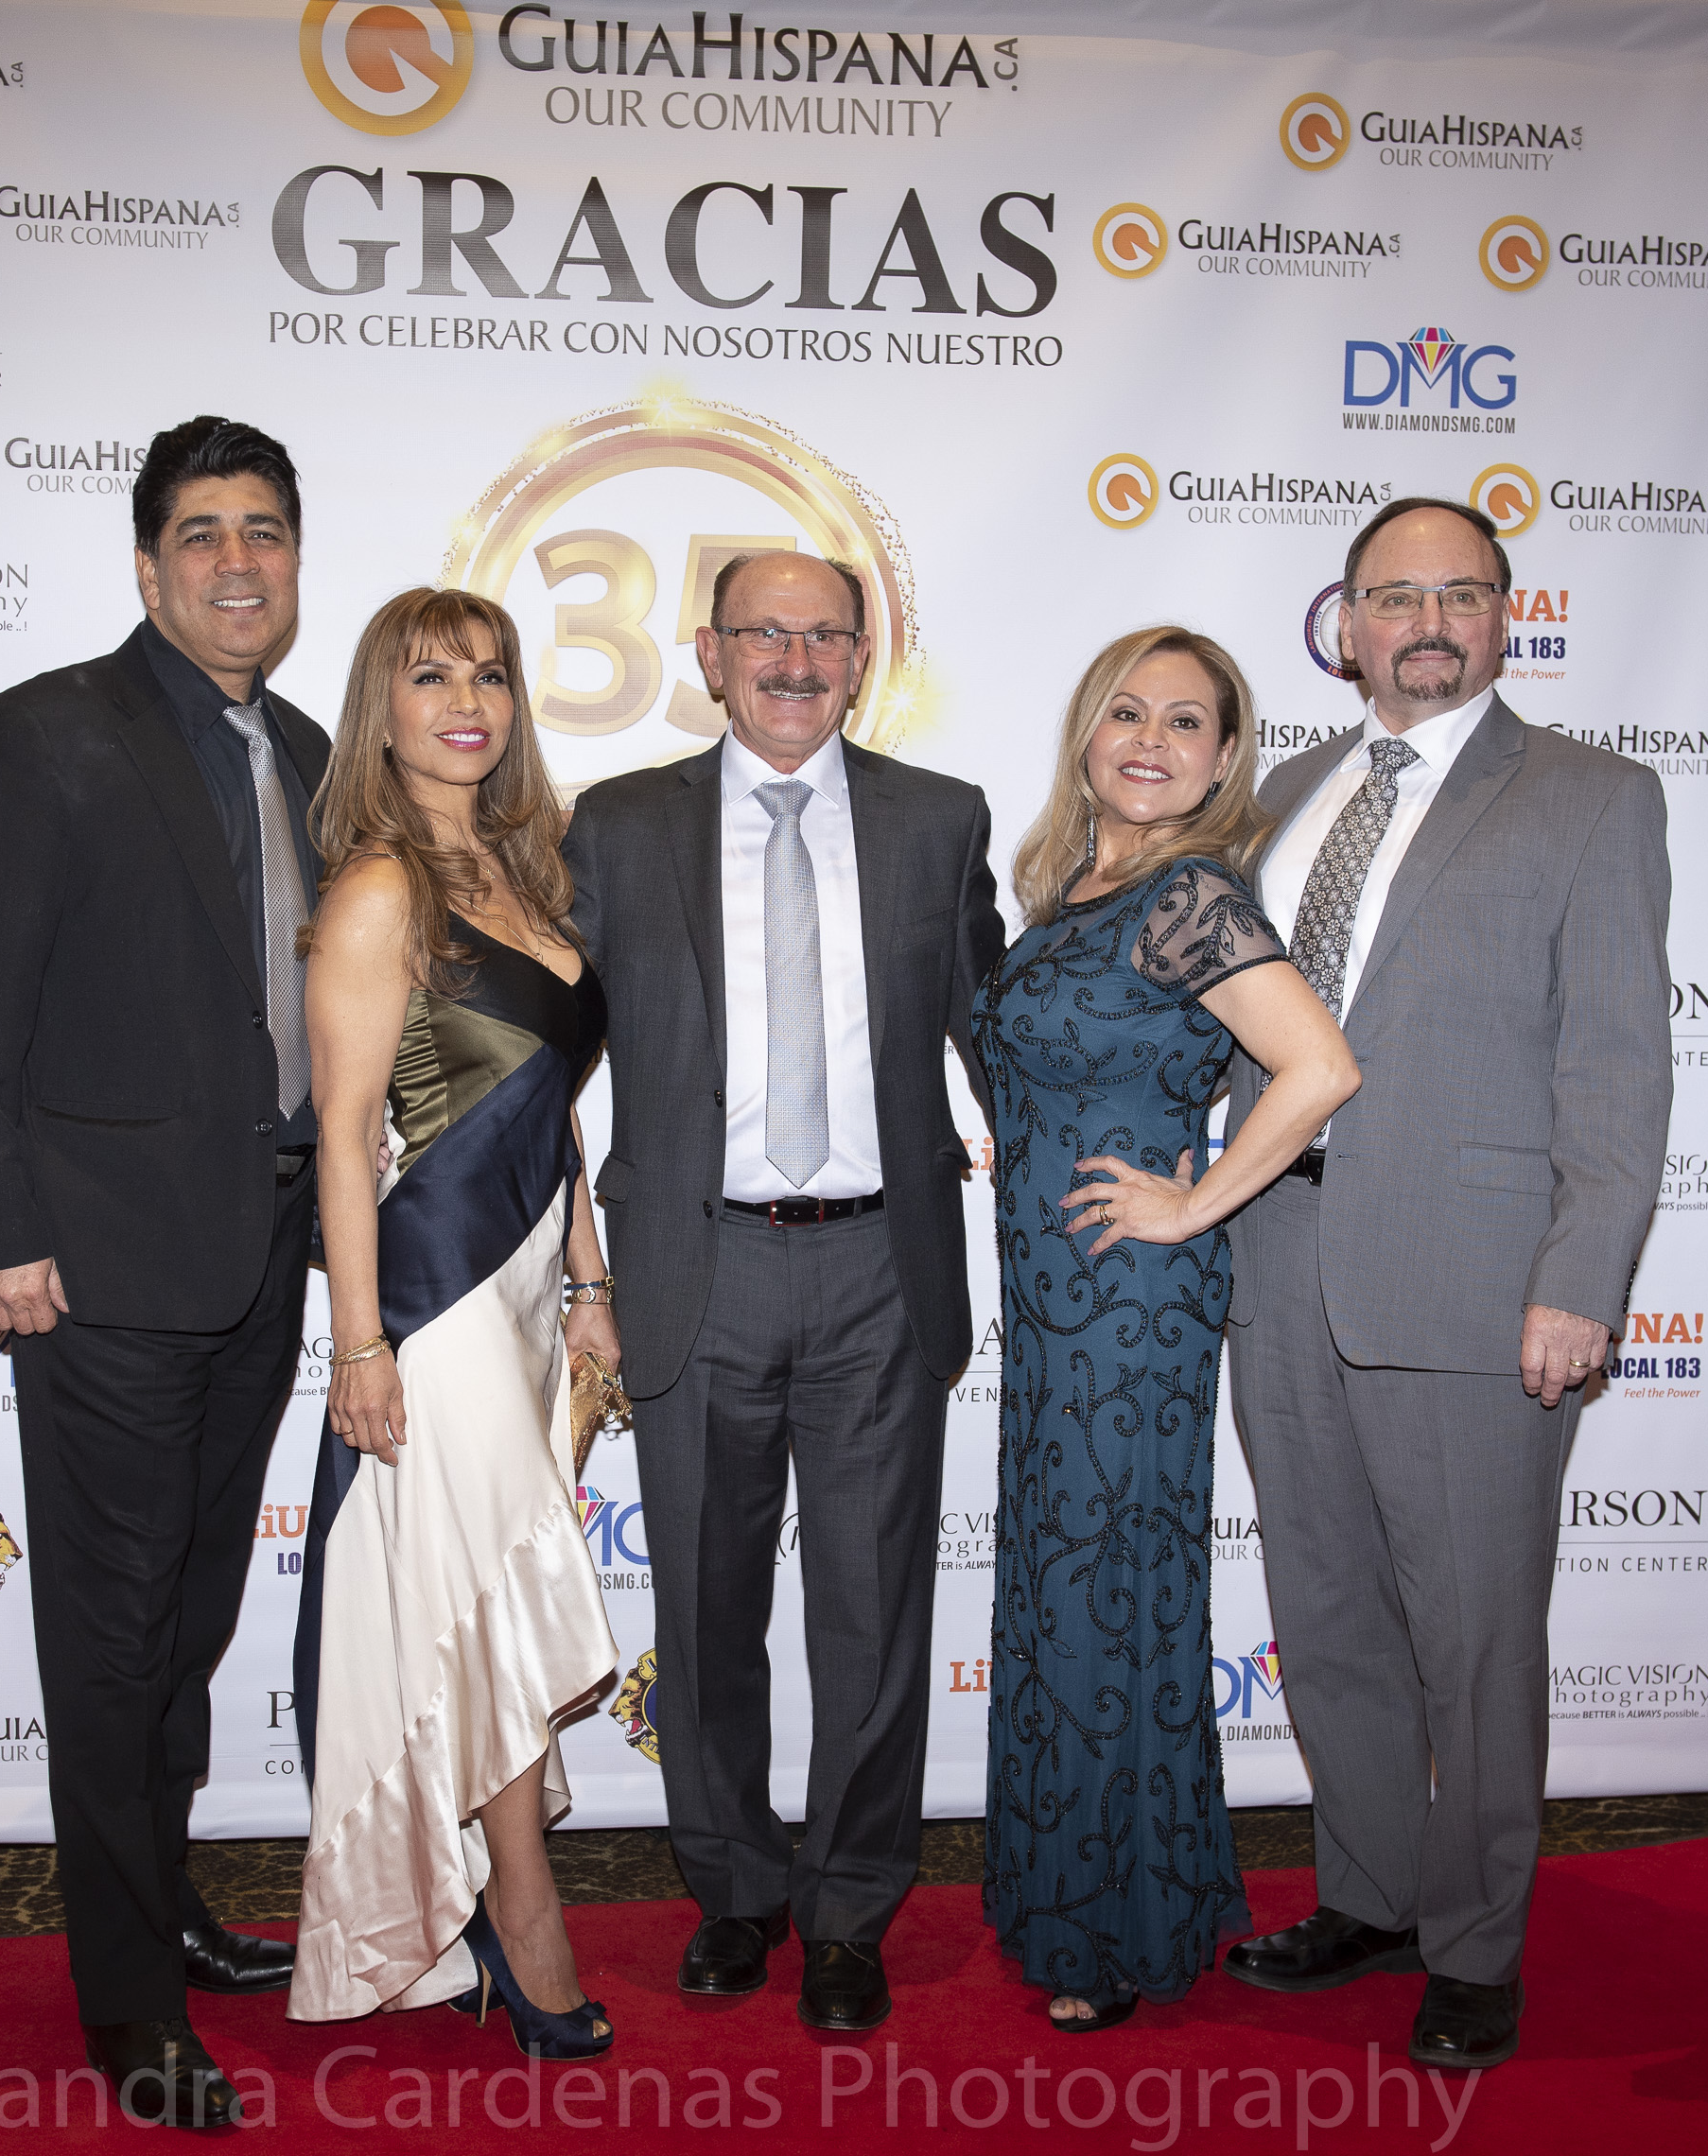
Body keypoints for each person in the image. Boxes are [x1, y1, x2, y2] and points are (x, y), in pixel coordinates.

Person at [1220, 498, 1671, 2071]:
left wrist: (1581, 1277)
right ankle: (1371, 1895)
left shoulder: (1593, 797)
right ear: (1344, 622)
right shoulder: (1281, 795)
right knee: (1328, 1610)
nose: (1426, 623)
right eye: (1395, 596)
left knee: (1475, 1639)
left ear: (1505, 614)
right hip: (1277, 1264)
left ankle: (1476, 1943)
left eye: (1459, 595)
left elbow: (1619, 1063)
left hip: (1479, 1285)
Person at [0, 416, 329, 2128]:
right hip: (93, 1270)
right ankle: (128, 1998)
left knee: (192, 1619)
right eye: (203, 533)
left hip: (262, 1255)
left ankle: (162, 1903)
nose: (239, 561)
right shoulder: (50, 732)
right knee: (112, 1634)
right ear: (150, 566)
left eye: (265, 531)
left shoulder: (304, 747)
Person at [561, 550, 1006, 2033]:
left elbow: (1000, 1039)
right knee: (706, 1606)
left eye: (826, 634)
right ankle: (734, 1890)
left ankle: (852, 1907)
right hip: (698, 1266)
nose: (797, 660)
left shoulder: (940, 819)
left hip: (884, 1264)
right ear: (710, 653)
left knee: (874, 1616)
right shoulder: (619, 825)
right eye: (766, 632)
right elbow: (540, 1059)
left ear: (862, 658)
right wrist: (560, 1266)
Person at [972, 628, 1359, 2031]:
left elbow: (1319, 1066)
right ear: (1087, 734)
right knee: (1073, 1588)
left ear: (1224, 757)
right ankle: (1085, 1893)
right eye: (1127, 712)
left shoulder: (1191, 894)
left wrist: (1193, 1204)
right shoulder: (1074, 888)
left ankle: (1108, 1926)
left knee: (1106, 1594)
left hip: (1130, 1311)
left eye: (1187, 722)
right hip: (1053, 1298)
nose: (1151, 741)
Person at [287, 588, 619, 2060]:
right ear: (385, 707)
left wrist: (591, 1280)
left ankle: (490, 1884)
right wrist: (360, 1343)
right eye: (431, 677)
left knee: (488, 1590)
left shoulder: (524, 873)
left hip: (532, 1287)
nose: (467, 702)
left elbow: (555, 1112)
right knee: (483, 1594)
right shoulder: (380, 889)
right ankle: (524, 1913)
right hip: (438, 1298)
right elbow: (344, 1131)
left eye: (489, 675)